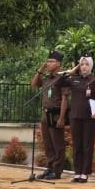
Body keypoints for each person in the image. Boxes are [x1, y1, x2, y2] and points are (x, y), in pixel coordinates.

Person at [58, 55, 95, 183]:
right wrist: (70, 71)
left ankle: (85, 173)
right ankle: (77, 172)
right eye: (82, 64)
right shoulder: (74, 79)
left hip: (89, 117)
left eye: (86, 64)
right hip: (75, 116)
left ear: (91, 66)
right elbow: (59, 82)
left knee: (87, 145)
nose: (84, 67)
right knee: (77, 145)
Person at [29, 49, 65, 180]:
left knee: (57, 143)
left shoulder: (62, 79)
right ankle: (50, 168)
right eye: (48, 61)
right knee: (48, 143)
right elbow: (33, 84)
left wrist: (62, 117)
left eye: (51, 61)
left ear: (58, 64)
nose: (48, 63)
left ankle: (57, 170)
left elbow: (65, 99)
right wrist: (40, 70)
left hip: (55, 114)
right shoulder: (46, 79)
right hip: (45, 114)